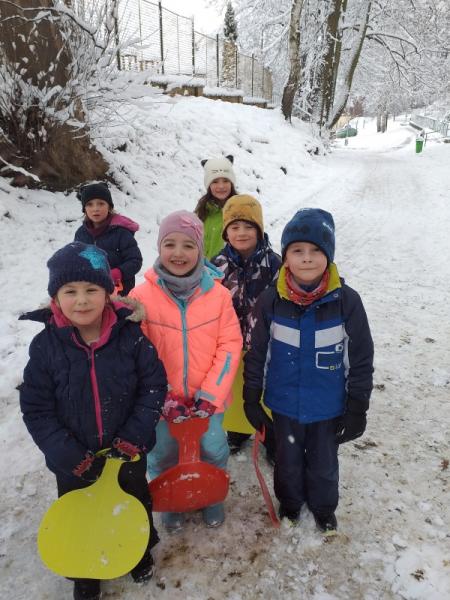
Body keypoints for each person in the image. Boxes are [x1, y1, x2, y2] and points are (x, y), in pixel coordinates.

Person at [19, 242, 167, 600]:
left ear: (108, 293)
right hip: (75, 459)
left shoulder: (130, 337)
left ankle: (137, 549)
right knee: (81, 509)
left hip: (126, 451)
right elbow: (37, 409)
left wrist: (134, 435)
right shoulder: (46, 347)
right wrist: (65, 453)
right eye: (70, 291)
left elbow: (153, 386)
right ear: (55, 297)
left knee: (134, 499)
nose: (82, 300)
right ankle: (85, 567)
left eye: (91, 290)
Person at [243, 208, 374, 533]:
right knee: (286, 461)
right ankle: (290, 503)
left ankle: (323, 507)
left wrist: (357, 406)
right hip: (284, 405)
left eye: (316, 250)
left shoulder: (346, 302)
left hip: (327, 407)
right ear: (285, 256)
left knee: (323, 464)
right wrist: (251, 397)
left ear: (328, 255)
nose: (306, 258)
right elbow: (258, 353)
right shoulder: (271, 301)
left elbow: (360, 359)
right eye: (297, 250)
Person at [129, 210, 242, 532]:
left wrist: (211, 395)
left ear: (200, 250)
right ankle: (170, 499)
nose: (178, 253)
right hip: (161, 404)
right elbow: (136, 354)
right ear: (159, 247)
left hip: (209, 401)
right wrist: (161, 397)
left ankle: (211, 494)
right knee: (162, 454)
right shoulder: (140, 297)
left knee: (213, 449)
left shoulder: (218, 296)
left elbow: (229, 345)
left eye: (188, 245)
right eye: (170, 244)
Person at [211, 194, 281, 463]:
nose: (241, 233)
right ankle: (238, 431)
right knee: (235, 391)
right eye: (235, 226)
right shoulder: (216, 265)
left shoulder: (275, 264)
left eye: (249, 226)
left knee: (265, 395)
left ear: (259, 230)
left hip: (266, 345)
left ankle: (271, 437)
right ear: (226, 231)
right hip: (230, 344)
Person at [74, 182, 143, 295]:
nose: (95, 209)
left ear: (109, 206)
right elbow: (75, 259)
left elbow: (135, 261)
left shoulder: (121, 232)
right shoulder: (81, 233)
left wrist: (118, 273)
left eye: (101, 203)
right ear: (84, 209)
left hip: (120, 291)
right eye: (90, 204)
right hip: (92, 290)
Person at [194, 155, 237, 260]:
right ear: (209, 185)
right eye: (215, 181)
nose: (221, 186)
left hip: (230, 268)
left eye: (225, 180)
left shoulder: (240, 208)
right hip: (203, 267)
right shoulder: (202, 210)